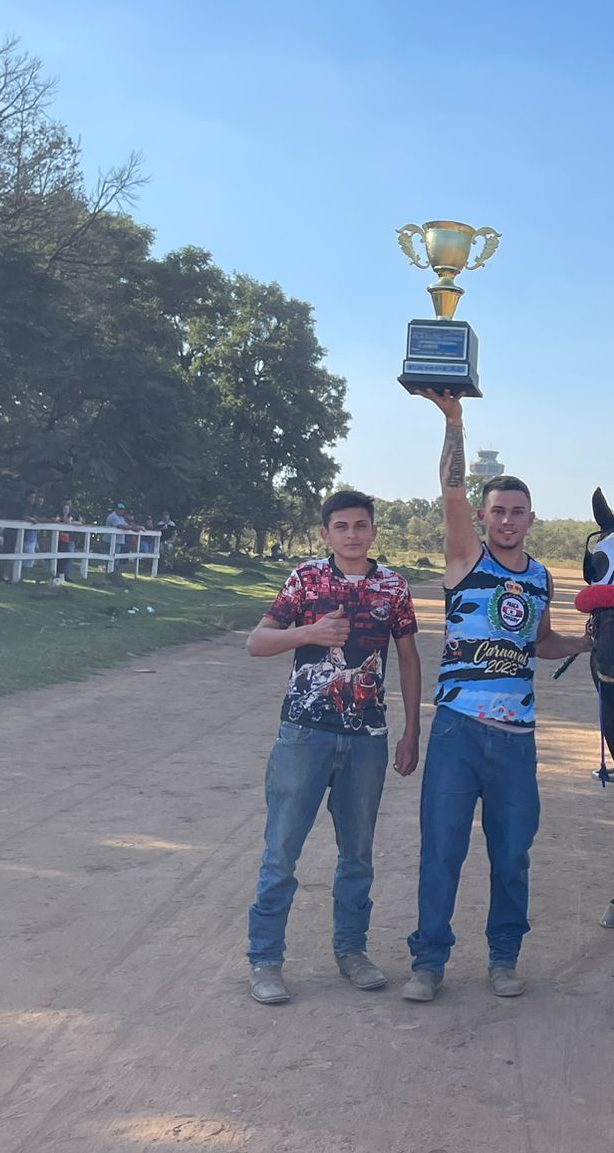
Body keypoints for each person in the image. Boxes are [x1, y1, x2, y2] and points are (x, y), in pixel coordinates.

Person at [402, 390, 591, 1003]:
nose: (507, 520)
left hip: (516, 740)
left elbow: (540, 642)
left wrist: (584, 643)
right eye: (498, 511)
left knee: (512, 856)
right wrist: (455, 422)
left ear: (532, 519)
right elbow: (451, 491)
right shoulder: (465, 559)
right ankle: (428, 962)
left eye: (518, 512)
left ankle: (504, 958)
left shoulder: (539, 578)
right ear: (483, 518)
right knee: (442, 851)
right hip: (458, 729)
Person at [242, 490, 423, 1005]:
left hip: (367, 738)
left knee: (358, 853)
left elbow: (409, 659)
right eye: (341, 526)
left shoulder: (394, 586)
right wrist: (310, 633)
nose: (351, 535)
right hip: (304, 734)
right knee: (282, 850)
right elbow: (257, 642)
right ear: (326, 534)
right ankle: (265, 959)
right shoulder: (306, 579)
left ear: (373, 531)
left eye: (360, 525)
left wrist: (411, 730)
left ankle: (351, 950)